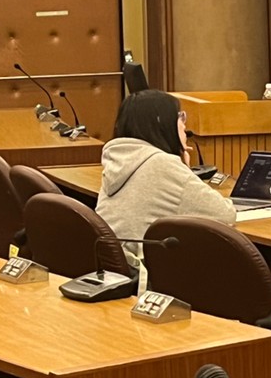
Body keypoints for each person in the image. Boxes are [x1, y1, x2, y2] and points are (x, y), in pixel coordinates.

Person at [96, 90, 236, 286]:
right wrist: (184, 168)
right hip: (144, 279)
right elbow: (225, 215)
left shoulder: (119, 157)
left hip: (114, 272)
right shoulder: (161, 163)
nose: (185, 126)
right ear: (161, 121)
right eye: (180, 117)